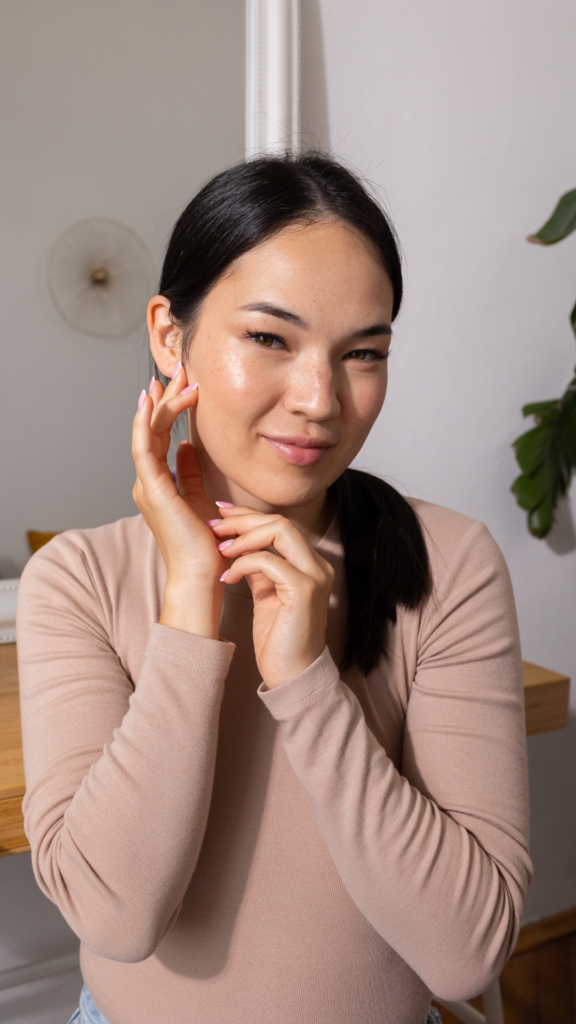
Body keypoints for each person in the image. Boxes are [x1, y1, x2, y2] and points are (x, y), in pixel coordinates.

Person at [16, 153, 532, 1024]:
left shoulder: (449, 564)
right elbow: (116, 915)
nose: (320, 399)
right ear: (170, 338)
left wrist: (307, 684)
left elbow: (465, 953)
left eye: (362, 353)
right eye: (269, 338)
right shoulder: (76, 580)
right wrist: (191, 600)